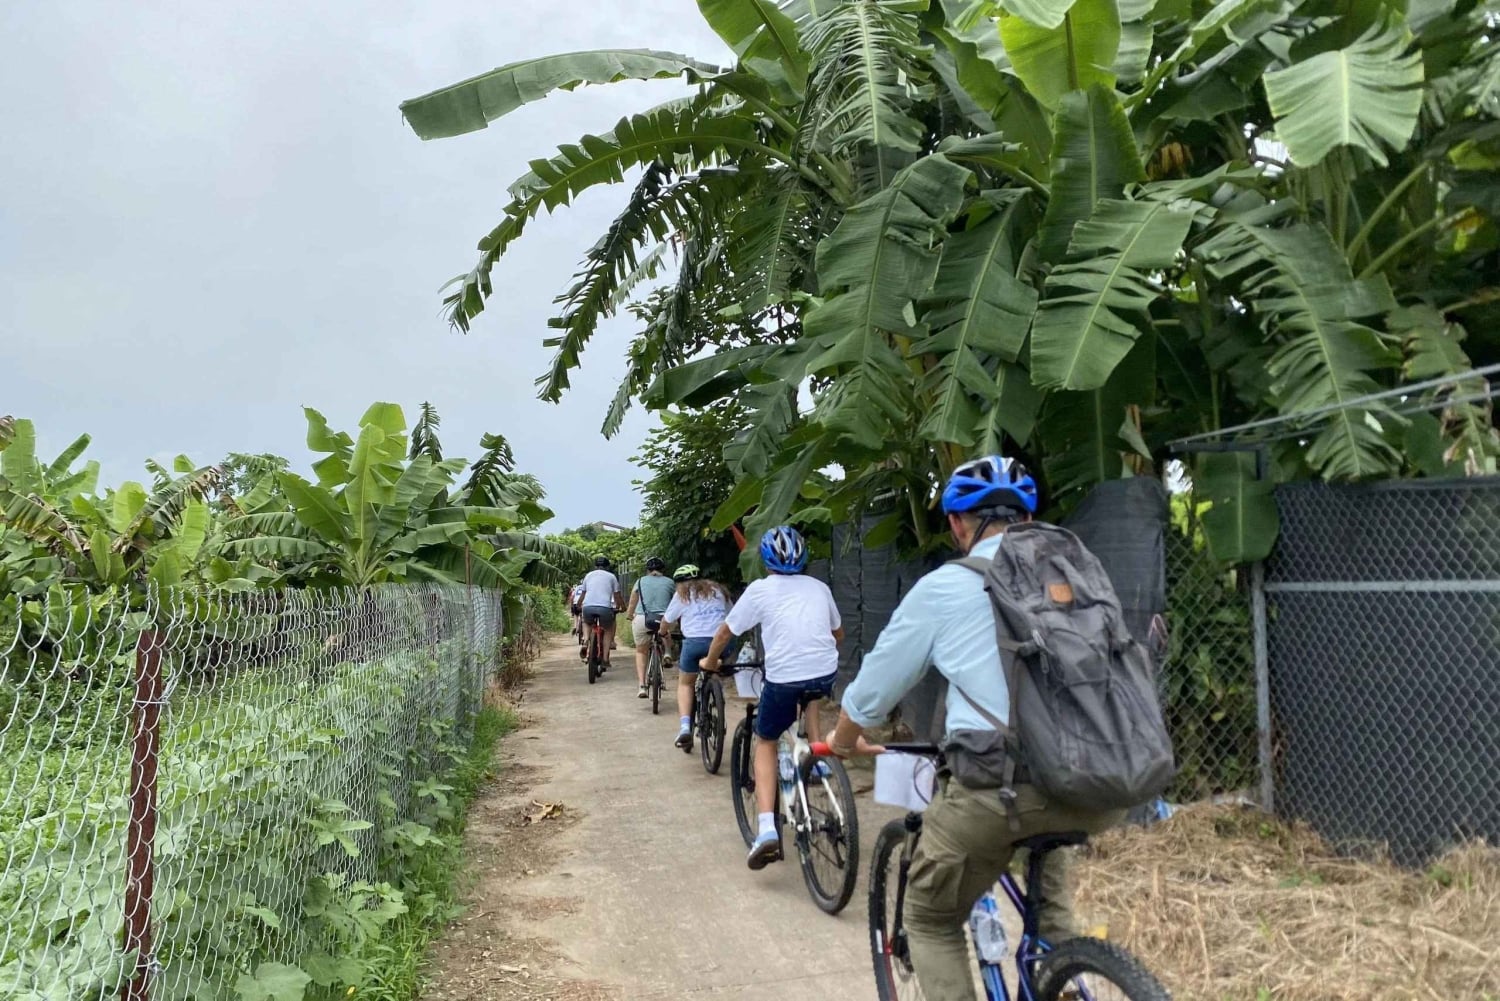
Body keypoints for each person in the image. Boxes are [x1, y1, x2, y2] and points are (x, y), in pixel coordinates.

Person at [823, 455, 1125, 1001]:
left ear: (959, 525)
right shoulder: (1078, 577)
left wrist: (844, 742)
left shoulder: (948, 586)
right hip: (1098, 777)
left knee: (930, 915)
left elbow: (872, 690)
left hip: (1000, 787)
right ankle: (1070, 976)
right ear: (1028, 520)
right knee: (1052, 918)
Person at [702, 526, 842, 870]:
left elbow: (725, 632)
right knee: (809, 694)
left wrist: (710, 660)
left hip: (783, 678)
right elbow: (837, 633)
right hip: (824, 671)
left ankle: (766, 829)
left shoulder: (760, 590)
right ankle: (815, 756)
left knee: (765, 740)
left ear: (765, 561)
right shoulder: (820, 588)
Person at [662, 564, 733, 749]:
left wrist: (663, 633)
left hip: (694, 643)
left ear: (679, 583)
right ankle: (716, 692)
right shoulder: (718, 590)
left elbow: (667, 622)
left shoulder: (682, 595)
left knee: (686, 683)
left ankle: (685, 727)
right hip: (722, 642)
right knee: (715, 667)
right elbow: (732, 615)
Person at [625, 556, 677, 698]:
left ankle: (642, 686)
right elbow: (677, 601)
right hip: (664, 618)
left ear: (647, 570)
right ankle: (667, 653)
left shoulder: (640, 581)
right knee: (665, 629)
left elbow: (632, 602)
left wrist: (630, 616)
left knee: (641, 651)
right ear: (663, 570)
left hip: (643, 618)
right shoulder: (670, 582)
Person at [579, 556, 623, 670]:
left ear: (595, 566)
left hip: (588, 607)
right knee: (608, 628)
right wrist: (622, 607)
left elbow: (583, 594)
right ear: (607, 566)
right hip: (605, 608)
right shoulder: (611, 577)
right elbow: (617, 595)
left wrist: (579, 605)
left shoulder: (588, 575)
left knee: (586, 621)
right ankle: (605, 659)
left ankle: (586, 640)